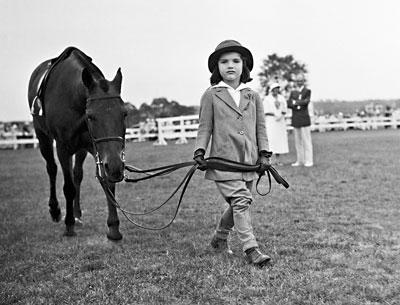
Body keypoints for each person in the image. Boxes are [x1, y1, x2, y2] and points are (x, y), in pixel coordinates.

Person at [193, 39, 272, 267]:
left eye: (236, 61)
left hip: (248, 161)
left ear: (243, 65)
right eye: (224, 61)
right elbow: (204, 127)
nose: (230, 65)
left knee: (239, 203)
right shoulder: (211, 95)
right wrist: (199, 150)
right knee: (241, 199)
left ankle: (219, 238)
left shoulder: (252, 95)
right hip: (223, 161)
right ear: (216, 67)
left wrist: (264, 153)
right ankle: (251, 249)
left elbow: (260, 127)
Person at [287, 74, 313, 167]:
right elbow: (289, 104)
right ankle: (300, 160)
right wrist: (297, 103)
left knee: (307, 141)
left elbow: (306, 102)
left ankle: (309, 160)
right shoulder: (293, 92)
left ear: (303, 81)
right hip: (296, 118)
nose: (299, 82)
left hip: (304, 118)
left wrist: (295, 102)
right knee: (298, 142)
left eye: (301, 80)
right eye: (297, 81)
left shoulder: (307, 91)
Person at [263, 83, 289, 165]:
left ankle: (278, 160)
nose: (276, 90)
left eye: (277, 88)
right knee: (271, 140)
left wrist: (281, 115)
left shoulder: (281, 98)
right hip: (271, 121)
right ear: (271, 90)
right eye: (274, 89)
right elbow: (265, 111)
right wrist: (275, 115)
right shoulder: (267, 99)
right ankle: (270, 160)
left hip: (280, 122)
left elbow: (285, 109)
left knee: (279, 140)